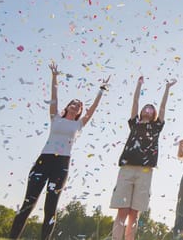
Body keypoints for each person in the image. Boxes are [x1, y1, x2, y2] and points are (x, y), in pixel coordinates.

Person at [10, 62, 110, 240]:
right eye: (73, 103)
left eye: (79, 105)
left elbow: (93, 109)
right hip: (44, 161)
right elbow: (54, 97)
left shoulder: (78, 124)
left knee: (50, 207)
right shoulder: (55, 117)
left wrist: (101, 90)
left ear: (80, 111)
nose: (75, 105)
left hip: (61, 165)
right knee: (29, 203)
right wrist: (54, 77)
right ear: (68, 106)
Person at [109, 76, 177, 240]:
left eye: (150, 108)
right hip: (127, 168)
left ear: (153, 114)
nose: (147, 109)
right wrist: (139, 85)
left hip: (145, 171)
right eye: (145, 108)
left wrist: (167, 88)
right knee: (122, 211)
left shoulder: (156, 126)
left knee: (134, 212)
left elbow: (162, 107)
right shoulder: (135, 123)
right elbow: (135, 102)